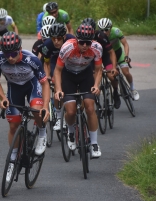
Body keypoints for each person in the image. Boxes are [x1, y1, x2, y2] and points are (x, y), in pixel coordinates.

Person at [0, 32, 50, 181]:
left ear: (20, 49)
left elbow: (44, 83)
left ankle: (42, 134)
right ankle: (12, 160)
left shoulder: (32, 59)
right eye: (7, 54)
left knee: (36, 110)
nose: (10, 57)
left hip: (32, 85)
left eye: (14, 53)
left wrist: (45, 106)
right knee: (13, 126)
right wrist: (3, 98)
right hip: (14, 88)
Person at [54, 23, 102, 158]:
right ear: (76, 40)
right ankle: (70, 132)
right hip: (68, 75)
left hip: (85, 75)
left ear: (92, 41)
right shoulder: (67, 47)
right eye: (82, 42)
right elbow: (57, 71)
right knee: (70, 111)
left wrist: (97, 85)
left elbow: (98, 70)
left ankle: (94, 143)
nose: (85, 46)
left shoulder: (97, 48)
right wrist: (58, 89)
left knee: (90, 107)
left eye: (88, 42)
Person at [41, 23, 75, 131]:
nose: (56, 41)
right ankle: (59, 117)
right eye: (53, 38)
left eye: (59, 38)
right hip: (55, 63)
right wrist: (47, 77)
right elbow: (46, 63)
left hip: (69, 63)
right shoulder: (47, 45)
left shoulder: (72, 40)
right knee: (57, 86)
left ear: (64, 37)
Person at [82, 18, 121, 109]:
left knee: (111, 76)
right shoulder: (81, 37)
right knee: (92, 78)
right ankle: (95, 97)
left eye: (90, 30)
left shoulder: (101, 36)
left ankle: (115, 92)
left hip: (104, 56)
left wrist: (114, 68)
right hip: (91, 58)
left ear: (94, 29)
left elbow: (111, 52)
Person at [97, 18, 140, 101]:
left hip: (118, 53)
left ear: (111, 28)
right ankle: (116, 91)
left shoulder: (116, 31)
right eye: (102, 30)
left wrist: (126, 56)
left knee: (126, 72)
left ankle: (132, 89)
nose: (104, 32)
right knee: (112, 76)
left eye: (106, 30)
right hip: (108, 56)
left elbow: (125, 44)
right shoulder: (99, 36)